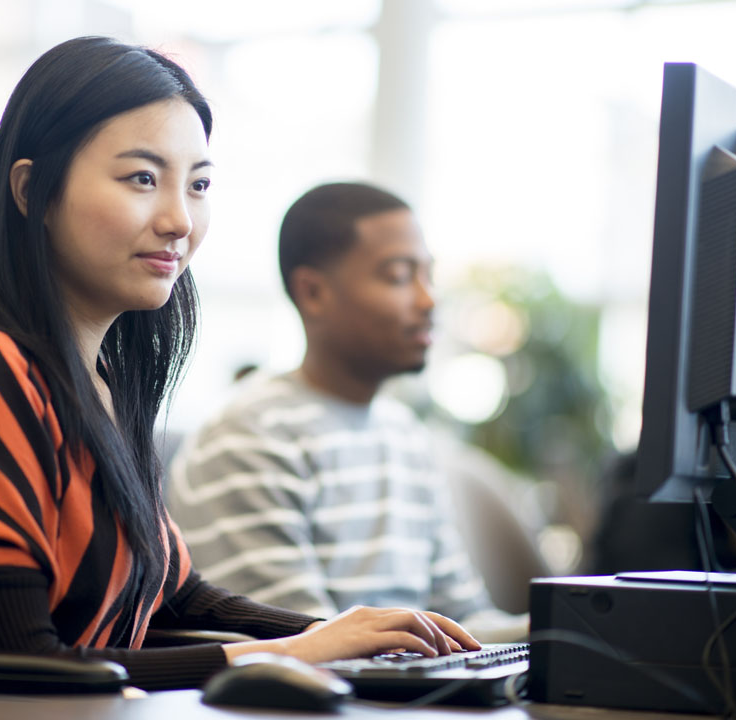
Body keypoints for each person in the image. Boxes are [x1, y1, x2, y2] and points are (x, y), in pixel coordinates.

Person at [0, 39, 479, 691]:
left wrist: (351, 636)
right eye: (142, 178)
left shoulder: (104, 387)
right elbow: (23, 667)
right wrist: (295, 651)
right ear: (33, 190)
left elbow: (182, 596)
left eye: (198, 185)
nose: (180, 220)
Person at [167, 182, 525, 639]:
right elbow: (306, 645)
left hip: (402, 694)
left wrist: (567, 630)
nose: (428, 300)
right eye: (399, 276)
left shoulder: (406, 435)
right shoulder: (250, 436)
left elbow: (463, 625)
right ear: (313, 292)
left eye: (428, 276)